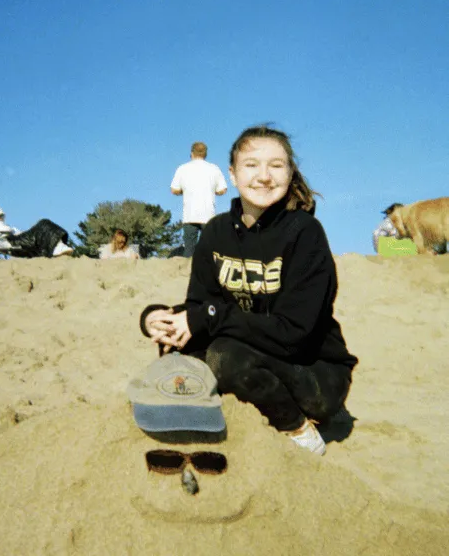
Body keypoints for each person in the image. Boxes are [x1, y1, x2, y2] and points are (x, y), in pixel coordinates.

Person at [139, 125, 358, 456]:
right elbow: (202, 306)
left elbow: (294, 333)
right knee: (179, 357)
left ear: (290, 172)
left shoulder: (305, 233)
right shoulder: (215, 233)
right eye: (252, 165)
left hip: (314, 374)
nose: (264, 176)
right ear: (232, 173)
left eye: (276, 165)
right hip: (249, 353)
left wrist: (208, 317)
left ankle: (298, 429)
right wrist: (158, 318)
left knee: (226, 356)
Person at [170, 141, 227, 257]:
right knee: (210, 249)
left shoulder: (183, 168)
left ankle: (189, 273)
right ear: (205, 154)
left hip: (189, 215)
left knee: (189, 250)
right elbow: (222, 190)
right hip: (208, 215)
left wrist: (183, 191)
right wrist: (212, 190)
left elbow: (174, 189)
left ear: (192, 153)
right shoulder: (214, 168)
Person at [0, 202, 73, 257]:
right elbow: (6, 231)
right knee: (43, 224)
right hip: (12, 242)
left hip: (15, 239)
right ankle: (57, 247)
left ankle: (57, 246)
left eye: (1, 216)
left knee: (43, 226)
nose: (1, 218)